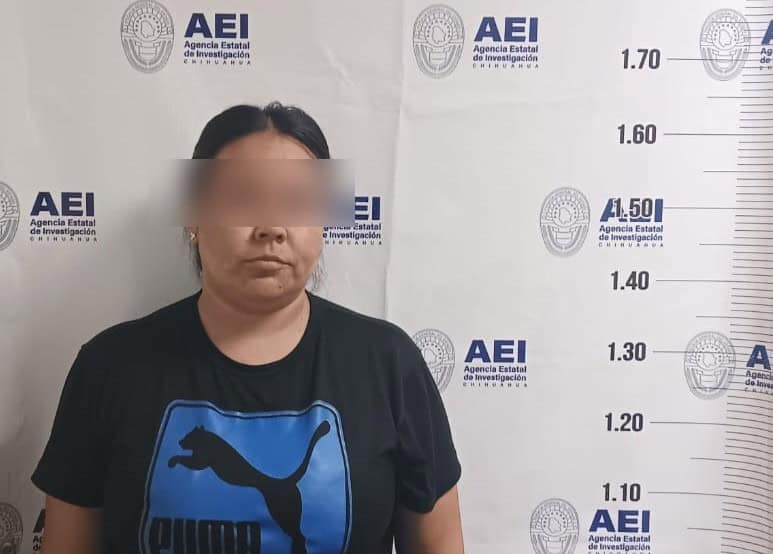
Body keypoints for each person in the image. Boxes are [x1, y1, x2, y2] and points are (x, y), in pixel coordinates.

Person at [31, 102, 464, 554]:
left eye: (297, 202)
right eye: (243, 199)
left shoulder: (388, 364)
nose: (271, 227)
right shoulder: (110, 368)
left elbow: (440, 543)